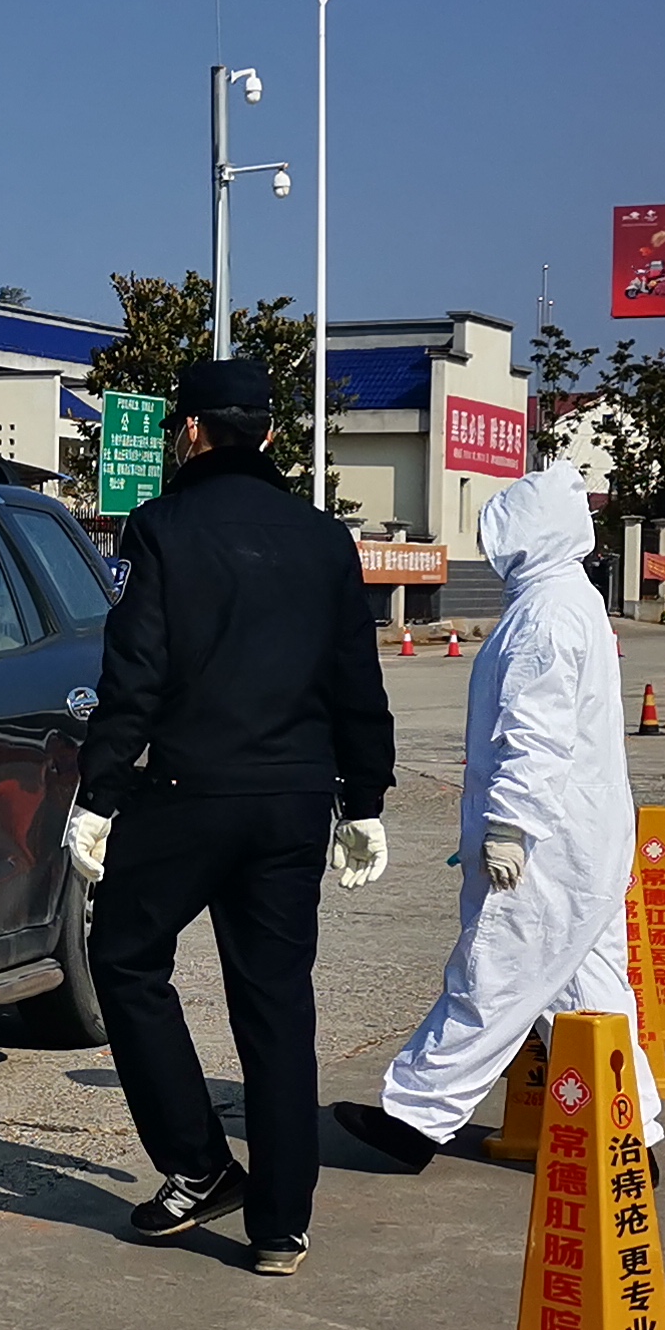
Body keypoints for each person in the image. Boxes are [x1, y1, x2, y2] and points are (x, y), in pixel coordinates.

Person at [66, 354, 397, 1277]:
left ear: (191, 431)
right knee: (277, 1000)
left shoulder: (161, 528)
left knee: (124, 957)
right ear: (273, 434)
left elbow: (134, 676)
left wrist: (98, 794)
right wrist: (365, 799)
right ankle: (281, 1225)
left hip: (189, 794)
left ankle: (199, 1164)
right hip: (294, 802)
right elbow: (355, 676)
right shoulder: (325, 539)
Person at [333, 461, 662, 1168]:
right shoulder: (570, 600)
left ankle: (418, 1117)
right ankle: (627, 1134)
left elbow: (535, 737)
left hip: (545, 843)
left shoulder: (544, 616)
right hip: (585, 839)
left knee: (494, 974)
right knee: (591, 993)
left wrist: (510, 827)